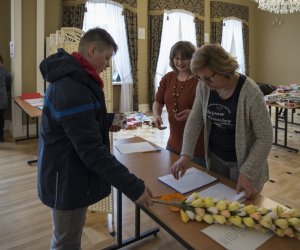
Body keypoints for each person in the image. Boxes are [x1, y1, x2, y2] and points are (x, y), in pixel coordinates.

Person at [38, 28, 153, 250]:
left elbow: (80, 120)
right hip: (66, 180)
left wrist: (107, 120)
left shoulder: (73, 79)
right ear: (92, 50)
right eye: (107, 57)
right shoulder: (72, 88)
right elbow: (92, 151)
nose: (108, 64)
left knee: (68, 236)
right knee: (66, 242)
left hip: (67, 173)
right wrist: (133, 186)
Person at [171, 43, 273, 200]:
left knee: (242, 211)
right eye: (200, 78)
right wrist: (186, 154)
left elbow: (265, 138)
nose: (204, 83)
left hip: (245, 163)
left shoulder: (251, 93)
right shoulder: (204, 86)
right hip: (216, 158)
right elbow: (195, 119)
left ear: (223, 69)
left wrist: (247, 172)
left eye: (208, 78)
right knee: (220, 206)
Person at [152, 41, 205, 166]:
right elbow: (158, 101)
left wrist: (194, 114)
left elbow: (210, 110)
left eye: (185, 59)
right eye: (177, 58)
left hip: (197, 147)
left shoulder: (202, 80)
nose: (180, 63)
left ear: (193, 59)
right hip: (173, 143)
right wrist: (156, 115)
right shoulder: (168, 78)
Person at [0, 53, 12, 142]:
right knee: (0, 118)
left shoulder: (4, 71)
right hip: (2, 99)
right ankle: (0, 137)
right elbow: (8, 83)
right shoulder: (4, 71)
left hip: (2, 99)